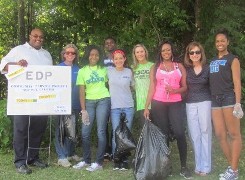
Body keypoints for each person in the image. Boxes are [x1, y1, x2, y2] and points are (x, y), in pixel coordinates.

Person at [0, 28, 52, 174]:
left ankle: (32, 158)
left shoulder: (46, 54)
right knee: (21, 129)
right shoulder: (18, 50)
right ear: (30, 36)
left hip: (42, 99)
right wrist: (16, 64)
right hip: (22, 99)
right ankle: (20, 162)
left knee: (38, 128)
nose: (38, 38)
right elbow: (2, 66)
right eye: (35, 36)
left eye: (41, 37)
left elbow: (51, 76)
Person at [144, 41, 192, 179]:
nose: (166, 52)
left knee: (179, 132)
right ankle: (167, 166)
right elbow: (152, 88)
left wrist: (174, 90)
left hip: (175, 102)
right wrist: (147, 107)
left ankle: (184, 167)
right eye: (163, 50)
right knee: (163, 134)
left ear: (172, 51)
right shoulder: (155, 67)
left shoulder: (179, 66)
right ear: (160, 52)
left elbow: (185, 87)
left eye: (168, 50)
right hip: (158, 103)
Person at [210, 29, 243, 180]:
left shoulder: (233, 59)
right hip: (215, 100)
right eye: (217, 41)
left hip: (229, 98)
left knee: (234, 134)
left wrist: (238, 103)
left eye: (222, 40)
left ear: (228, 42)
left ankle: (233, 170)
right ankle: (232, 168)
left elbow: (237, 82)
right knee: (220, 135)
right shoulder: (211, 61)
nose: (220, 43)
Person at [73, 45, 110, 172]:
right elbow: (81, 91)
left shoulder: (104, 69)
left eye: (96, 55)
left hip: (103, 100)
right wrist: (83, 110)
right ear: (88, 55)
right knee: (85, 132)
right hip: (88, 102)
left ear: (99, 57)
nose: (94, 57)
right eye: (91, 54)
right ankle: (86, 160)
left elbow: (111, 84)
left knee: (101, 131)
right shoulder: (82, 71)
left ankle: (99, 162)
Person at [184, 42, 212, 176]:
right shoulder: (186, 69)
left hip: (205, 102)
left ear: (201, 53)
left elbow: (213, 86)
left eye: (197, 52)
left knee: (205, 132)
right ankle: (198, 164)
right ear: (188, 55)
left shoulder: (208, 68)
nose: (194, 55)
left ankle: (206, 166)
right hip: (190, 103)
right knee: (194, 135)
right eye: (192, 52)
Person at [54, 44, 82, 167]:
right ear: (64, 54)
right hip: (61, 104)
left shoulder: (78, 69)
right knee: (61, 130)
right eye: (68, 53)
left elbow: (81, 88)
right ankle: (61, 156)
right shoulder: (58, 68)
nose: (70, 55)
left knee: (72, 129)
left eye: (73, 53)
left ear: (75, 55)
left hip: (75, 104)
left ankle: (70, 153)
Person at [107, 49, 134, 170]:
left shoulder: (129, 72)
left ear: (124, 59)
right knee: (115, 133)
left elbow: (134, 87)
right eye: (116, 58)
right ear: (113, 60)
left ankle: (125, 159)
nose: (118, 60)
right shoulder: (108, 71)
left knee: (126, 134)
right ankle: (116, 158)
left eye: (120, 58)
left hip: (128, 106)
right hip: (115, 107)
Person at [132, 44, 153, 127]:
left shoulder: (153, 65)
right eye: (137, 52)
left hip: (154, 101)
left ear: (145, 52)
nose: (140, 54)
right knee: (145, 130)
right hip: (141, 103)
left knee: (157, 129)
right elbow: (132, 85)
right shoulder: (133, 68)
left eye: (141, 51)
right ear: (134, 54)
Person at [103, 37, 117, 161]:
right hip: (104, 92)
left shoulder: (119, 57)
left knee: (114, 122)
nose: (109, 45)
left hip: (116, 93)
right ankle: (106, 150)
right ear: (104, 46)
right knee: (104, 122)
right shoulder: (101, 59)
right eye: (107, 43)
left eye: (111, 42)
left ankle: (114, 149)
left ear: (115, 44)